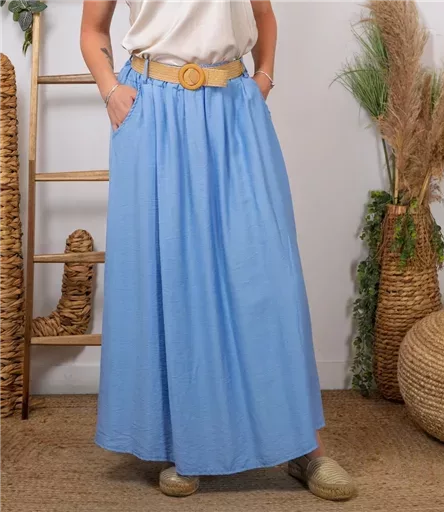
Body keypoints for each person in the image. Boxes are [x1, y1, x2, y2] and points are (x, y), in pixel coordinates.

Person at [80, 0, 356, 501]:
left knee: (269, 274)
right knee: (174, 276)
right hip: (152, 109)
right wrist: (111, 92)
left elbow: (264, 15)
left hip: (234, 107)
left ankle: (305, 447)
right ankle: (188, 447)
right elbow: (92, 28)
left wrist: (263, 77)